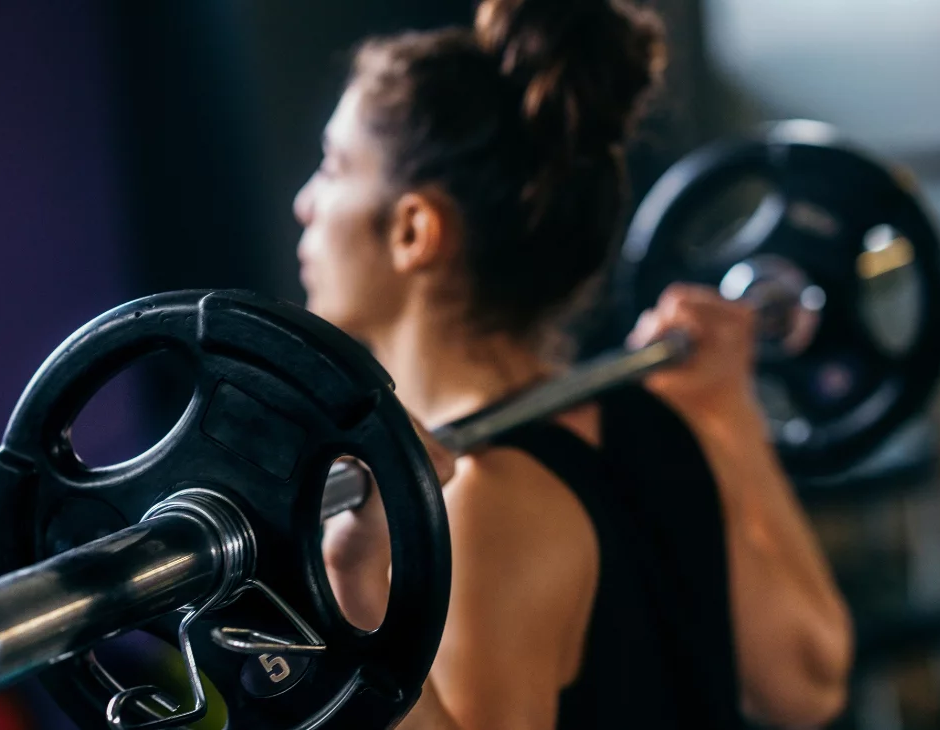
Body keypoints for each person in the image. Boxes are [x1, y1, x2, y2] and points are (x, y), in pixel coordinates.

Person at [297, 0, 854, 728]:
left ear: (413, 230)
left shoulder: (481, 508)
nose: (306, 204)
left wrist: (354, 588)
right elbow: (810, 681)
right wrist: (728, 416)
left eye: (334, 167)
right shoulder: (655, 425)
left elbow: (809, 687)